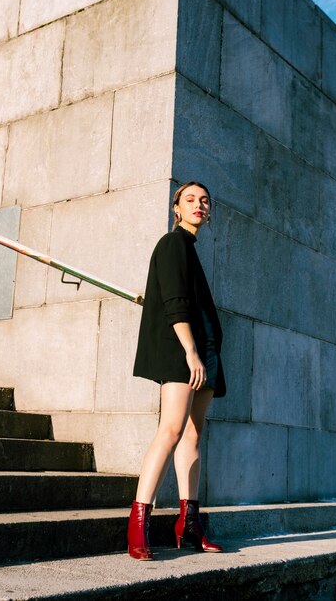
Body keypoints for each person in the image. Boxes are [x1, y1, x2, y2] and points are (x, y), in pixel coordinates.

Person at [128, 181, 226, 560]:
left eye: (205, 200)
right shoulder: (171, 244)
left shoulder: (190, 249)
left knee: (192, 437)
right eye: (190, 199)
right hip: (184, 352)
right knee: (170, 430)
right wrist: (190, 351)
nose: (199, 204)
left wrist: (205, 351)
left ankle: (190, 524)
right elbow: (174, 302)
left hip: (206, 351)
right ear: (176, 208)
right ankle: (138, 524)